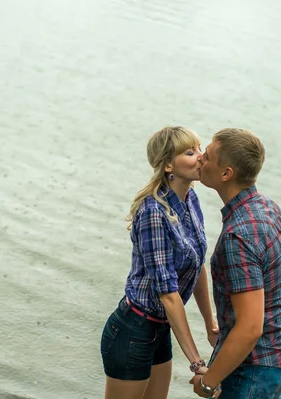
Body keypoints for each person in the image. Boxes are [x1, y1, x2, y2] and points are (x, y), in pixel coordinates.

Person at [100, 126, 220, 399]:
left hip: (161, 329)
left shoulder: (190, 198)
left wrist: (209, 323)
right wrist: (197, 363)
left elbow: (197, 262)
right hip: (133, 331)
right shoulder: (154, 212)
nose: (201, 157)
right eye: (190, 152)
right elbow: (167, 294)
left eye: (200, 149)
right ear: (168, 165)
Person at [190, 128, 281, 399]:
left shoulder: (237, 236)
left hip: (256, 368)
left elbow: (250, 328)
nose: (200, 160)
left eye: (206, 156)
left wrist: (209, 381)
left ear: (226, 174)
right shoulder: (269, 208)